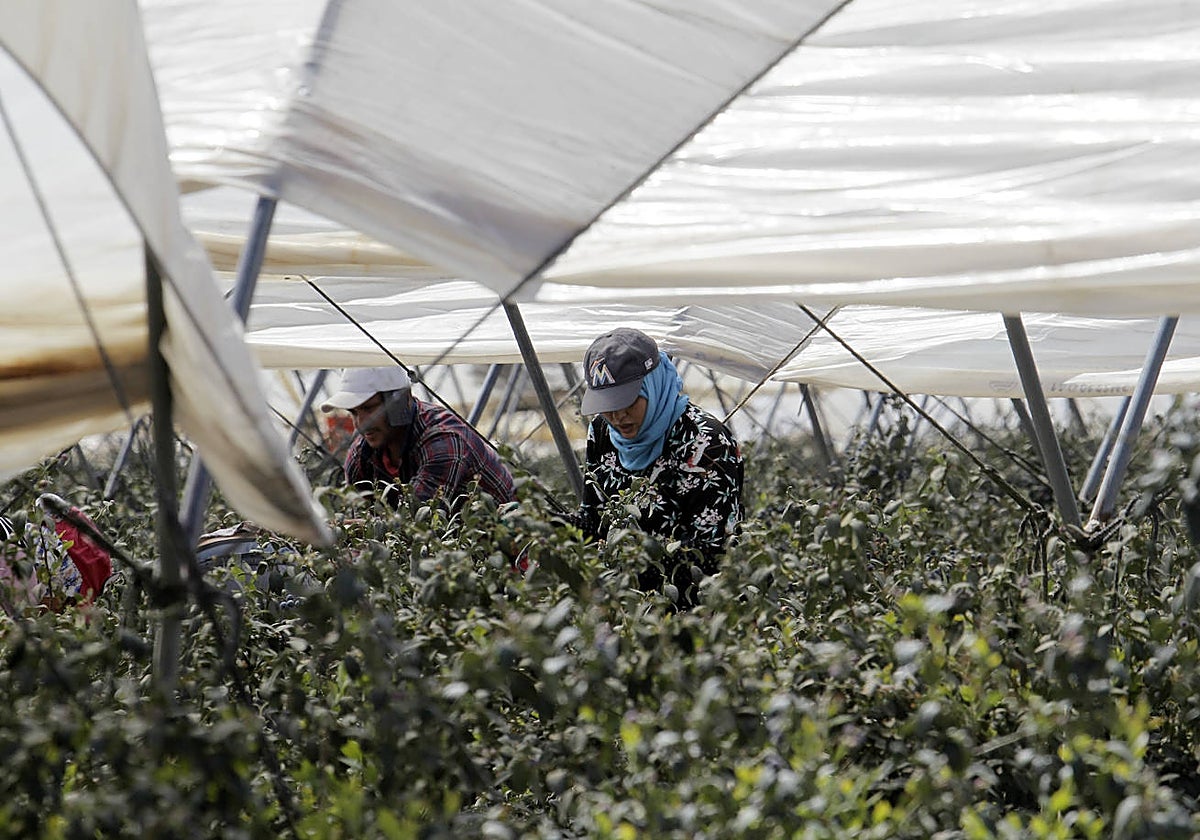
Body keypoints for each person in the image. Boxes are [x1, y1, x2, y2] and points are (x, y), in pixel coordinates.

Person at [576, 328, 743, 605]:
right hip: (625, 604)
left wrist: (636, 568)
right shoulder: (602, 432)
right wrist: (555, 528)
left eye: (627, 401)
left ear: (651, 385)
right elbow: (594, 519)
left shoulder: (705, 441)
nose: (617, 416)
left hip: (696, 608)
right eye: (607, 404)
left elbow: (712, 552)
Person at [321, 365, 517, 511]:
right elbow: (359, 520)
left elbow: (418, 521)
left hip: (505, 546)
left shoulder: (444, 440)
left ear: (400, 402)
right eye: (353, 412)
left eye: (369, 408)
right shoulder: (362, 455)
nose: (361, 423)